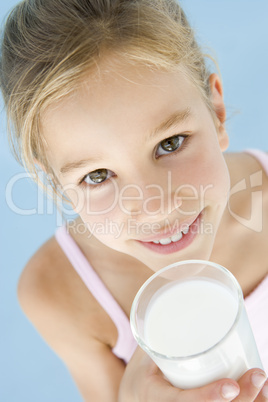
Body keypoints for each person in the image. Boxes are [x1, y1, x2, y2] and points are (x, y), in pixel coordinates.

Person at [1, 0, 267, 400]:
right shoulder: (57, 293)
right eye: (97, 176)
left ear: (216, 112)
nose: (156, 206)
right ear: (55, 183)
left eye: (170, 143)